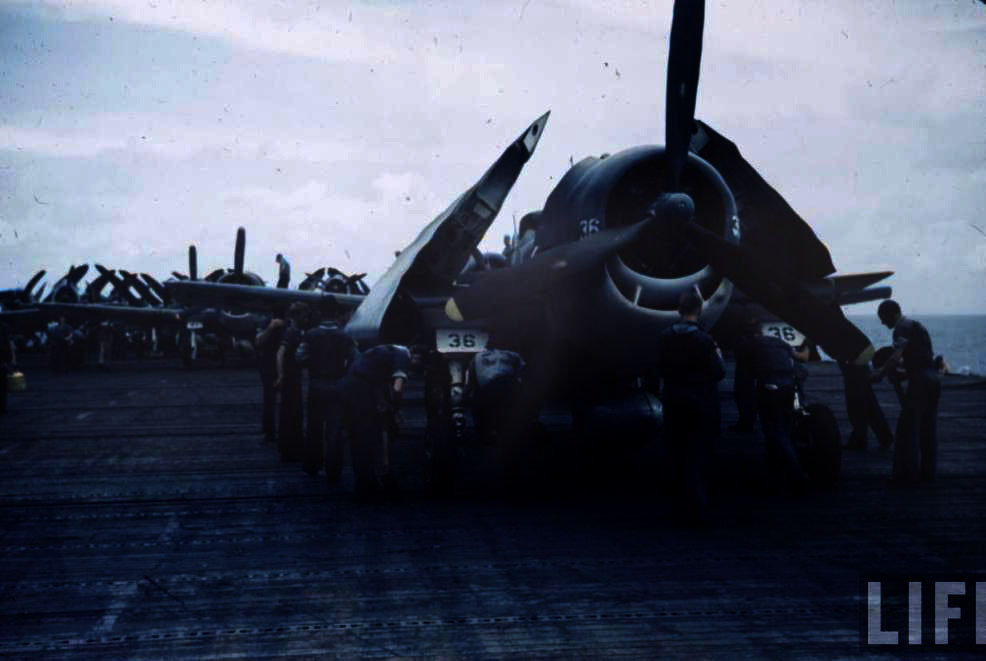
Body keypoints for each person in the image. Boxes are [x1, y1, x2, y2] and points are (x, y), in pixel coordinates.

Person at [654, 288, 725, 522]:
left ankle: (677, 506)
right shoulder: (705, 340)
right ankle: (698, 508)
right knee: (698, 455)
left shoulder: (665, 336)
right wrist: (718, 355)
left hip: (674, 399)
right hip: (700, 401)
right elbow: (718, 373)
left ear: (678, 310)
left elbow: (658, 368)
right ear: (700, 310)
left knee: (676, 453)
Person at [735, 318, 809, 494]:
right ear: (760, 331)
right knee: (785, 429)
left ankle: (797, 474)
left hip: (769, 390)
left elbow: (743, 382)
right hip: (788, 389)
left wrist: (746, 416)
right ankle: (775, 470)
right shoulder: (777, 341)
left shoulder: (746, 347)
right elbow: (802, 359)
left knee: (775, 433)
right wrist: (807, 346)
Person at [872, 299, 940, 484]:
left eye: (883, 318)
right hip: (933, 379)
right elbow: (922, 360)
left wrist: (880, 373)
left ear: (892, 314)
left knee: (906, 430)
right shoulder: (918, 326)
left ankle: (905, 476)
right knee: (927, 430)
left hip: (921, 382)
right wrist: (903, 376)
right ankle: (928, 475)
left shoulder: (901, 328)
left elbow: (895, 358)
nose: (882, 323)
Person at [343, 344, 412, 502]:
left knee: (359, 437)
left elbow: (374, 379)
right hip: (360, 391)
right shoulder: (403, 357)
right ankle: (370, 483)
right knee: (367, 436)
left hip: (350, 385)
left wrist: (383, 403)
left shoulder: (382, 352)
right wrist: (394, 408)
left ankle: (365, 482)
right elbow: (397, 388)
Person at [296, 304, 357, 481]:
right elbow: (355, 359)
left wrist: (312, 365)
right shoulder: (345, 336)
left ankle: (312, 465)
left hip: (316, 385)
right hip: (338, 385)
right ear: (337, 314)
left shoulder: (310, 335)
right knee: (335, 430)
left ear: (320, 314)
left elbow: (299, 357)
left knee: (314, 427)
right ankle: (333, 469)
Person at [275, 303, 309, 462]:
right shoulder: (290, 332)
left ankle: (292, 446)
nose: (306, 318)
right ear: (296, 316)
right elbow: (280, 353)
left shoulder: (296, 332)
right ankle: (288, 448)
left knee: (294, 413)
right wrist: (281, 375)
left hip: (294, 378)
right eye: (303, 315)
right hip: (289, 378)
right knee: (290, 413)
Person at [839, 357, 894, 451]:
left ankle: (863, 436)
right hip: (853, 361)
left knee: (859, 399)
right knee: (862, 399)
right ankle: (874, 436)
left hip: (852, 361)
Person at [255, 308, 287, 445]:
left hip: (273, 364)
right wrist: (270, 328)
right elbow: (258, 342)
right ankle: (270, 432)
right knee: (270, 400)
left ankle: (274, 432)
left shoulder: (267, 321)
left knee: (271, 399)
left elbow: (258, 342)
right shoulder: (269, 322)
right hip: (272, 364)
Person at [1, 321, 15, 414]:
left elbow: (10, 343)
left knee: (2, 384)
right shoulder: (4, 326)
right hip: (3, 359)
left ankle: (2, 407)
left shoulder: (4, 326)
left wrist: (13, 358)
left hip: (3, 359)